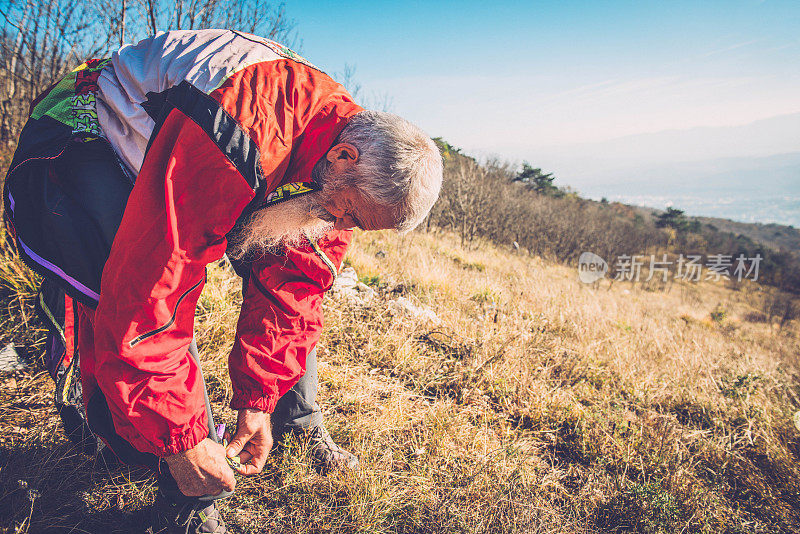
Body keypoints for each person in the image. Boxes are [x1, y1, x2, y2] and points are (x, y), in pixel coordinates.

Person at [3, 29, 442, 533]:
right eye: (353, 217)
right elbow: (156, 286)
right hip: (84, 136)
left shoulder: (343, 162)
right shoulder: (245, 131)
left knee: (299, 255)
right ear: (345, 159)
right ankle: (183, 501)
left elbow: (296, 290)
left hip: (192, 142)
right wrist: (183, 440)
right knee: (111, 280)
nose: (344, 228)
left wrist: (259, 403)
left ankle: (284, 426)